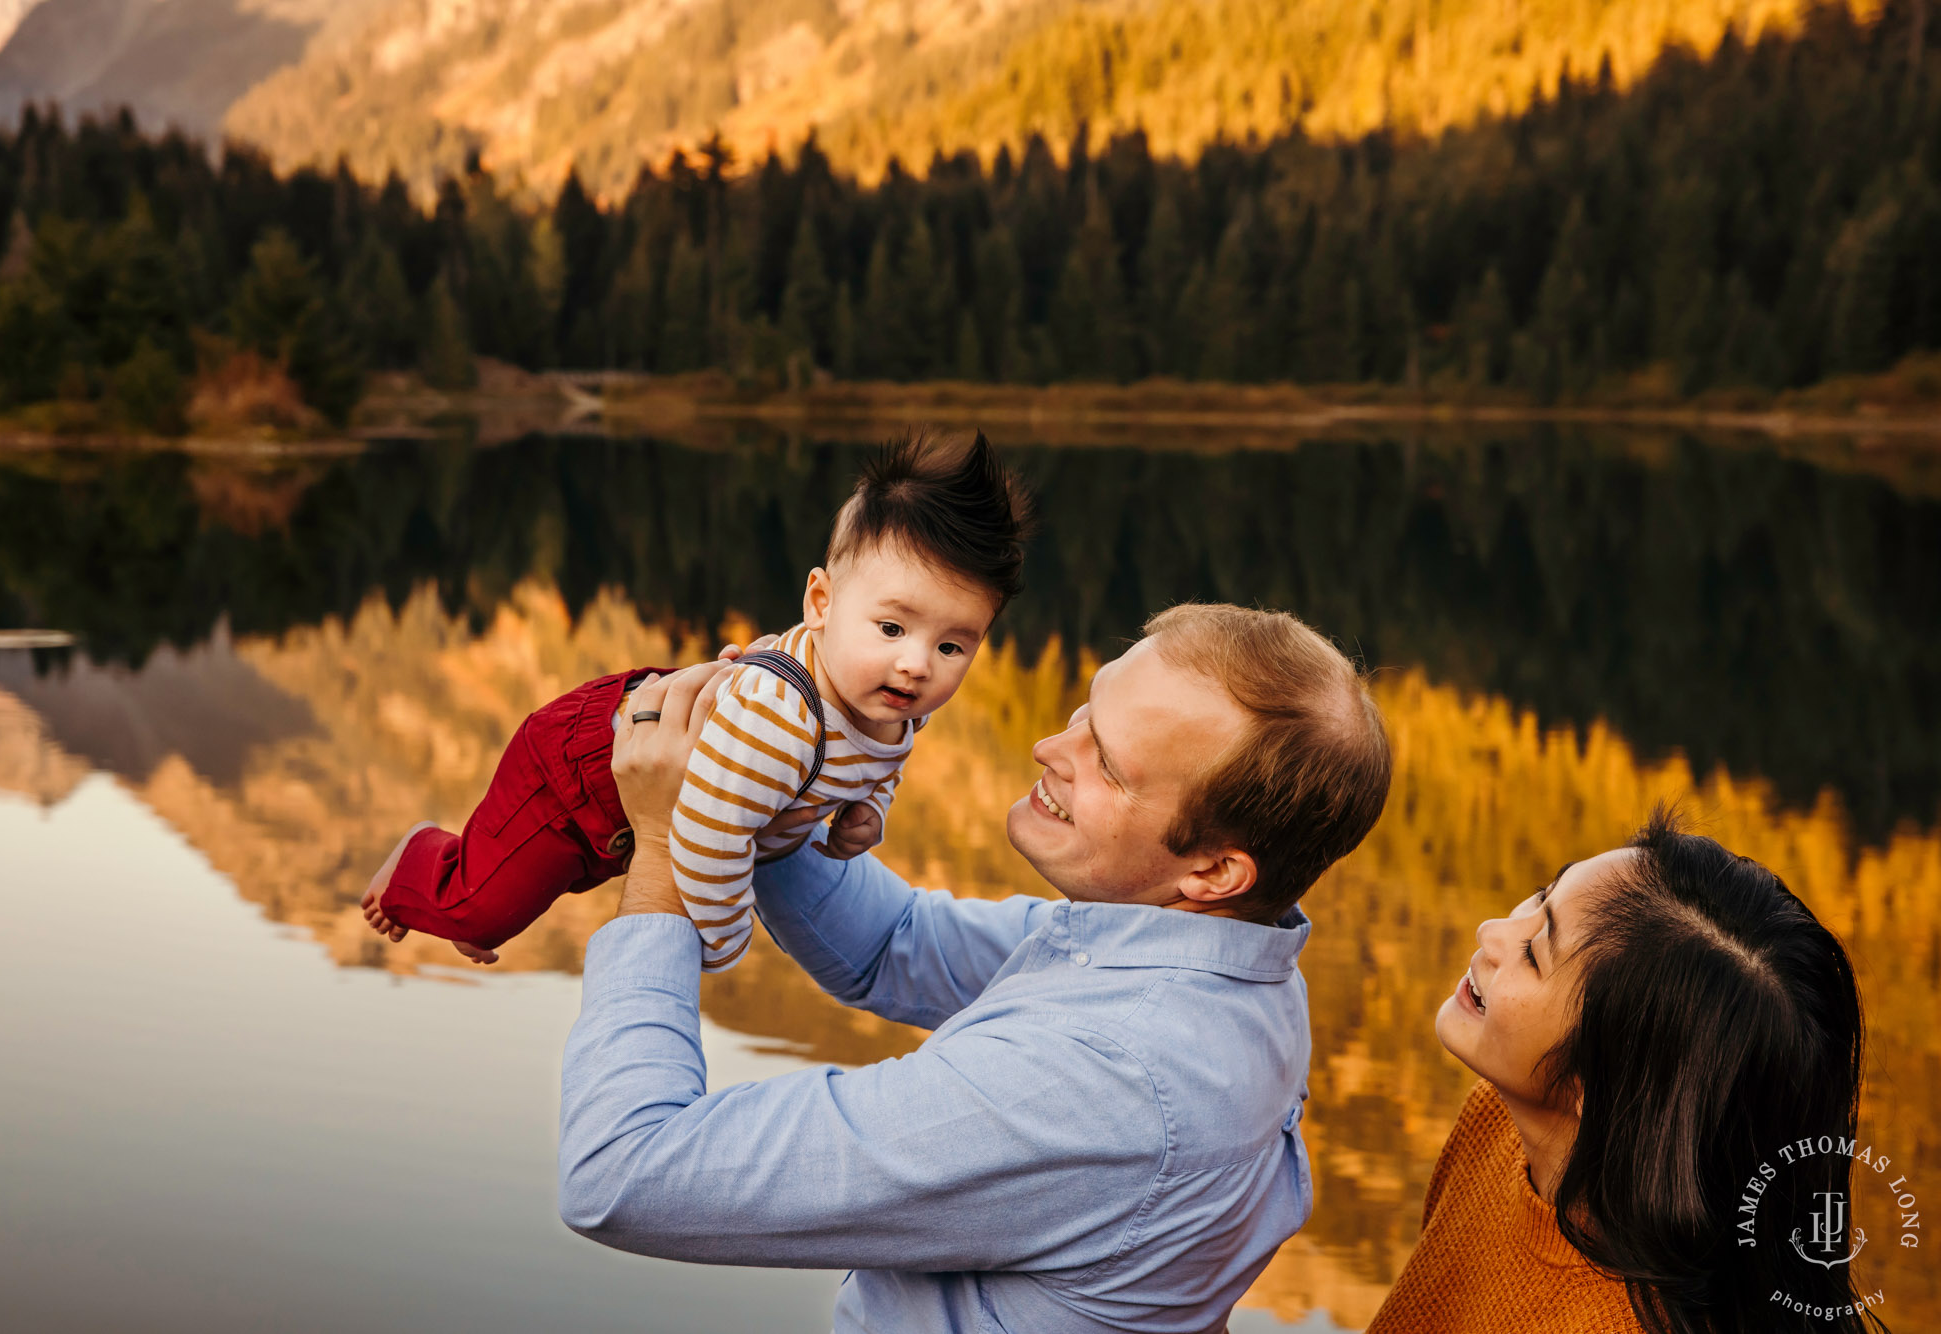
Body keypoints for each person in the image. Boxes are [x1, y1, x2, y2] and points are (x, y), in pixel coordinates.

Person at [559, 602, 1394, 1333]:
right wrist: (752, 789)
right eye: (1083, 711)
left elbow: (626, 1171)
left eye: (1106, 762)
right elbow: (893, 944)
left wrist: (669, 845)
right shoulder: (1224, 956)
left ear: (1214, 871)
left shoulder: (1096, 1081)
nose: (1047, 746)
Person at [358, 429, 1033, 968]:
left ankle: (482, 878)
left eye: (953, 647)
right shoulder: (781, 723)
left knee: (552, 878)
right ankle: (423, 865)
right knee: (484, 913)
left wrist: (869, 812)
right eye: (891, 628)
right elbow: (711, 836)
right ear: (821, 602)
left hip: (641, 796)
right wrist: (720, 940)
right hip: (585, 768)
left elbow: (883, 762)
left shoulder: (892, 702)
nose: (916, 665)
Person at [1367, 813, 1886, 1334]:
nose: (1491, 931)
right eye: (1541, 894)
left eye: (1533, 954)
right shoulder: (1495, 1120)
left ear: (1602, 1088)